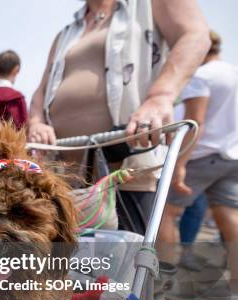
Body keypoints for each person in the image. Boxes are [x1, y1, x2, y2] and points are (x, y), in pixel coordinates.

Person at [27, 0, 210, 235]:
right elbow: (42, 89)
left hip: (127, 165)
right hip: (65, 172)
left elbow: (195, 35)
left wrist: (160, 96)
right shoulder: (66, 33)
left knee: (127, 258)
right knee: (65, 260)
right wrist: (36, 121)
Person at [159, 31, 238, 299]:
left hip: (203, 156)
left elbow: (196, 123)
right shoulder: (233, 73)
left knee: (165, 214)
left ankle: (161, 279)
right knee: (230, 220)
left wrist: (180, 162)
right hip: (232, 157)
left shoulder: (203, 76)